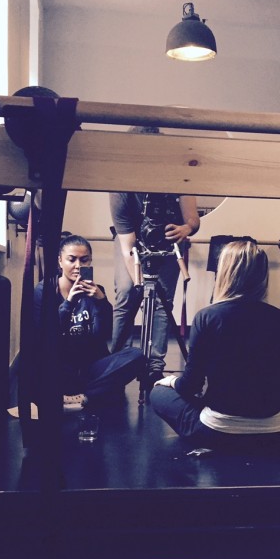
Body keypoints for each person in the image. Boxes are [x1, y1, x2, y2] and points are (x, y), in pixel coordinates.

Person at [150, 239, 280, 451]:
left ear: (225, 273)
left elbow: (191, 385)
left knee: (158, 393)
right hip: (276, 435)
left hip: (216, 434)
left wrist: (171, 381)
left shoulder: (207, 317)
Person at [109, 127, 201, 385]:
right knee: (127, 294)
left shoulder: (178, 175)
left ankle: (154, 368)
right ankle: (116, 362)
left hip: (168, 240)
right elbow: (127, 246)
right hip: (131, 240)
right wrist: (141, 285)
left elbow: (193, 219)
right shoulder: (120, 186)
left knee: (163, 300)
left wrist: (186, 228)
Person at [33, 234, 143, 411]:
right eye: (71, 259)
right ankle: (100, 392)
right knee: (38, 370)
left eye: (84, 260)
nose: (78, 266)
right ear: (60, 261)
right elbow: (45, 336)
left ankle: (83, 397)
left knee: (137, 355)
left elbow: (102, 335)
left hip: (89, 368)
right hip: (58, 367)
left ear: (90, 261)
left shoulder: (96, 292)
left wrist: (101, 302)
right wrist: (68, 303)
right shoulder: (45, 290)